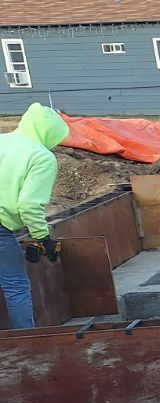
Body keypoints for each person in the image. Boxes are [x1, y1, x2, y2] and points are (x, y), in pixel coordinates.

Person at [0, 103, 67, 329]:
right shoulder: (41, 157)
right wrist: (43, 237)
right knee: (15, 286)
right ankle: (27, 345)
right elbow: (28, 205)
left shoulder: (2, 140)